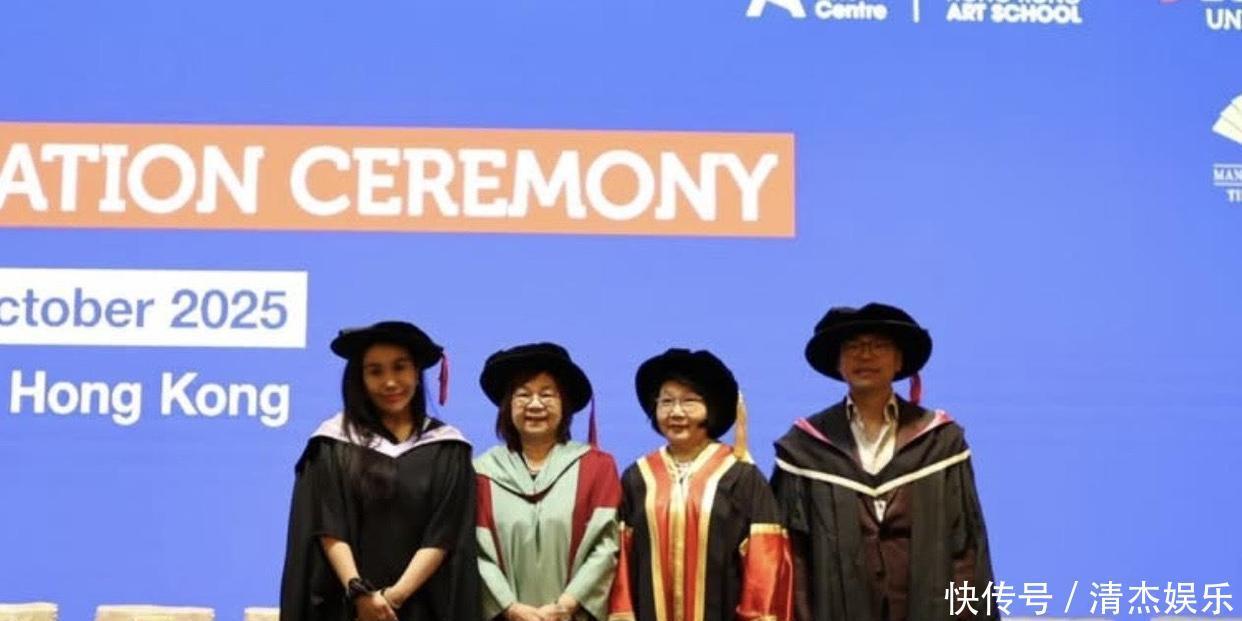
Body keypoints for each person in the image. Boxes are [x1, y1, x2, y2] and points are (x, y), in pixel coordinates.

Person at [771, 303, 996, 621]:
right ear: (838, 363)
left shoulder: (941, 443)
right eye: (853, 347)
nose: (865, 355)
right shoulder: (805, 448)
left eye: (879, 346)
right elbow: (794, 557)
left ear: (899, 360)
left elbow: (966, 549)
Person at [280, 321, 480, 621]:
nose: (390, 382)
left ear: (416, 372)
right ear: (360, 379)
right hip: (348, 606)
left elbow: (445, 533)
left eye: (400, 368)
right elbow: (328, 526)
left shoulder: (448, 448)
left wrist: (393, 598)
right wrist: (359, 593)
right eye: (375, 371)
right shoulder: (332, 444)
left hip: (424, 606)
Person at [609, 348, 792, 621]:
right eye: (666, 401)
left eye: (689, 401)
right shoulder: (637, 478)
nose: (676, 412)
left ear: (711, 408)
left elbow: (764, 563)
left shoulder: (741, 476)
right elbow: (622, 564)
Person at [474, 343, 621, 621]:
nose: (535, 404)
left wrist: (566, 605)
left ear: (564, 404)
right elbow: (477, 552)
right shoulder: (482, 473)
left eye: (547, 394)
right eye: (523, 394)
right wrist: (511, 608)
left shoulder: (597, 468)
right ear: (507, 406)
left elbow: (606, 545)